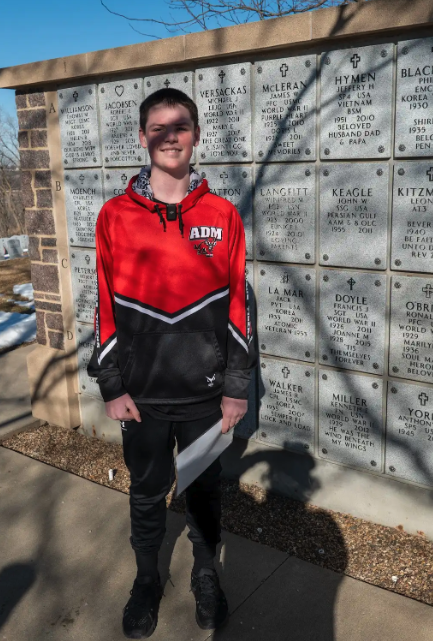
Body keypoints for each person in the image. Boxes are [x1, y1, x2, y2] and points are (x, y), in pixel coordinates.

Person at [88, 87, 257, 639]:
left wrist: (236, 386)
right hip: (141, 395)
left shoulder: (223, 215)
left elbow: (237, 306)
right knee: (145, 494)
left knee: (206, 495)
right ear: (143, 138)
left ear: (195, 135)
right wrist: (111, 384)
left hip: (207, 395)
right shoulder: (114, 216)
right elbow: (105, 304)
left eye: (179, 126)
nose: (169, 136)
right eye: (158, 128)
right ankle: (146, 580)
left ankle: (206, 577)